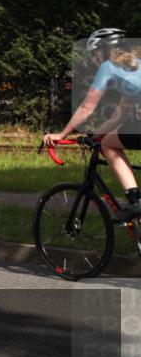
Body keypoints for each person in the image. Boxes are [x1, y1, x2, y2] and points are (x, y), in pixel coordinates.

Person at [44, 27, 141, 221]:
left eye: (93, 54)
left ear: (103, 50)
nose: (93, 60)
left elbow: (87, 108)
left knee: (109, 145)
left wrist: (61, 135)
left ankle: (135, 202)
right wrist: (99, 133)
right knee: (109, 139)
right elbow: (121, 112)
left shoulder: (108, 66)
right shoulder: (135, 65)